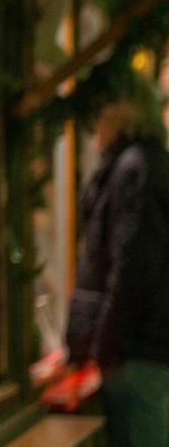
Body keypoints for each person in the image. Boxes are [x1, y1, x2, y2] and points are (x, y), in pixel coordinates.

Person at [68, 74, 169, 447]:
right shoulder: (144, 164)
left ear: (124, 113)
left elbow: (132, 268)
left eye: (103, 110)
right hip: (143, 350)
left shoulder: (135, 168)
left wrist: (105, 345)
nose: (96, 121)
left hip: (139, 354)